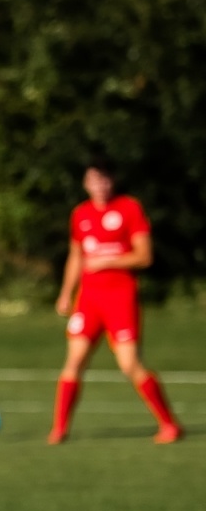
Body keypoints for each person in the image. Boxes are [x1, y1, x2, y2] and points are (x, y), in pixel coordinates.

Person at [51, 160, 181, 444]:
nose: (100, 186)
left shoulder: (129, 208)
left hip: (120, 298)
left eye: (105, 180)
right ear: (86, 184)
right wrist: (65, 293)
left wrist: (110, 260)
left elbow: (144, 256)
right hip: (88, 300)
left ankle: (169, 424)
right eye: (94, 181)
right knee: (73, 360)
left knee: (129, 364)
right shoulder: (81, 214)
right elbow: (76, 257)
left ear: (113, 181)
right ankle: (60, 429)